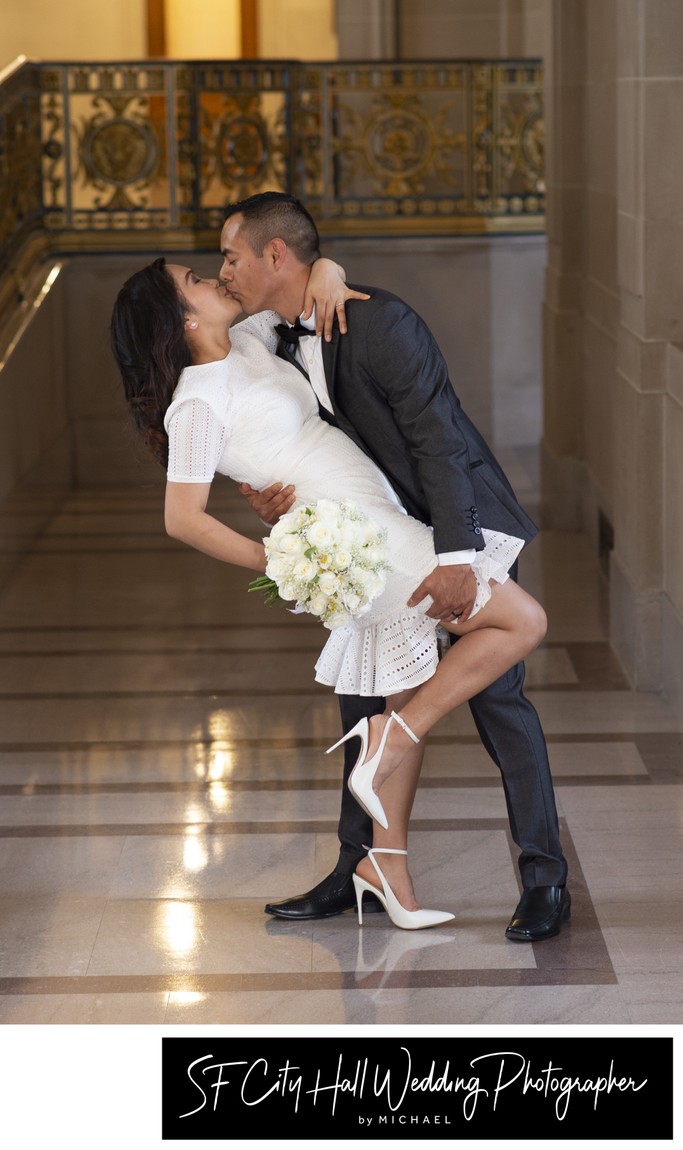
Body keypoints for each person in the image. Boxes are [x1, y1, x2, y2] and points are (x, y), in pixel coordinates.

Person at [110, 255, 549, 933]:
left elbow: (293, 283)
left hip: (371, 516)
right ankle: (388, 743)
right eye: (196, 279)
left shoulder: (249, 341)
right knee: (520, 622)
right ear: (183, 318)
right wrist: (274, 559)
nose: (213, 276)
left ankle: (385, 866)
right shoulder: (196, 401)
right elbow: (182, 517)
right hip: (358, 535)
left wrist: (324, 266)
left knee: (404, 683)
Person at [219, 191, 570, 943]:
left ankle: (544, 879)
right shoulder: (268, 339)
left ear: (275, 254)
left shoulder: (380, 321)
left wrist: (456, 560)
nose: (225, 272)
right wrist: (272, 501)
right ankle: (360, 869)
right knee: (363, 698)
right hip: (371, 540)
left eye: (232, 256)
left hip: (457, 527)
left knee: (498, 702)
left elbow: (439, 442)